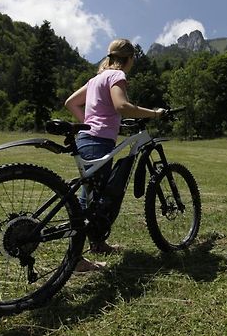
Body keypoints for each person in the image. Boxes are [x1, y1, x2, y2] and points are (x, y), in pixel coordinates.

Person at [65, 38, 165, 272]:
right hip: (99, 141)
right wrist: (154, 114)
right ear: (129, 59)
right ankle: (76, 259)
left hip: (89, 139)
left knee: (93, 198)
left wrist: (88, 124)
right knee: (87, 199)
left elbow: (71, 102)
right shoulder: (117, 76)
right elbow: (121, 106)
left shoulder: (96, 79)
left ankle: (98, 244)